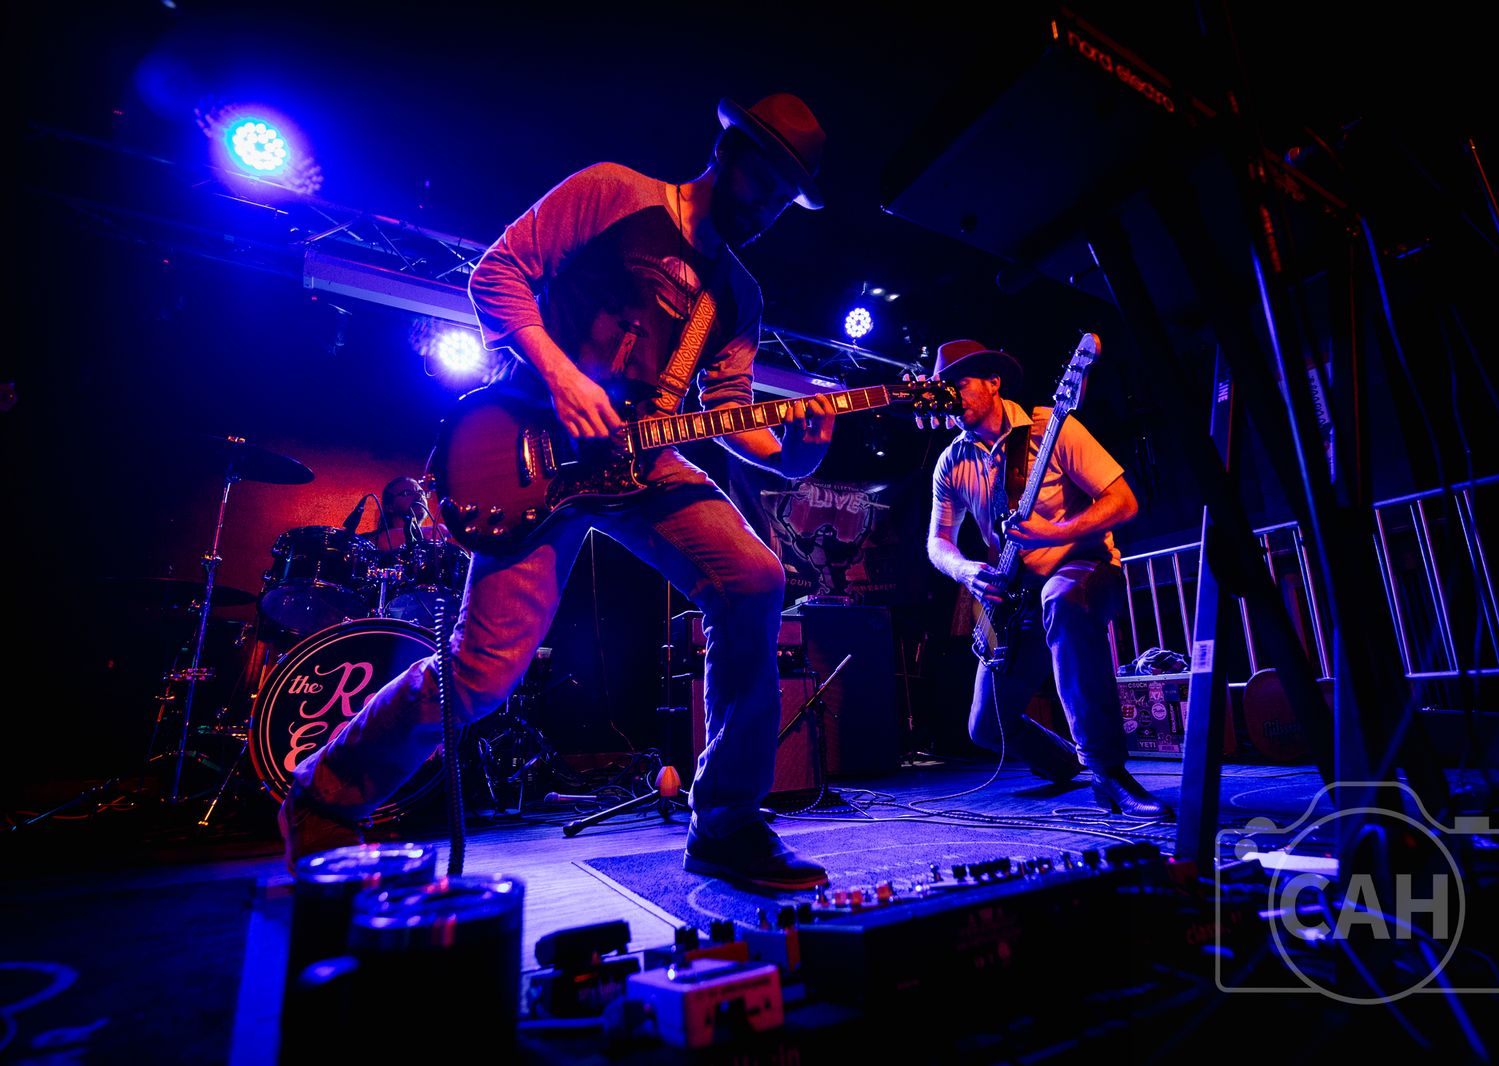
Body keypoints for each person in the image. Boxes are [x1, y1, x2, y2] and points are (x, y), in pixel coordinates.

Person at [280, 93, 837, 890]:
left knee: (755, 578)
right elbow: (497, 274)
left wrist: (797, 454)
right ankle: (327, 793)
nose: (768, 209)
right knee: (481, 670)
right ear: (728, 153)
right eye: (765, 186)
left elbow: (728, 413)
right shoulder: (617, 193)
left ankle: (726, 823)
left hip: (643, 460)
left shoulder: (738, 295)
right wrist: (564, 378)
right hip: (532, 444)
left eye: (785, 201)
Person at [925, 339, 1171, 818]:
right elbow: (937, 542)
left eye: (960, 383)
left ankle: (1107, 770)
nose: (952, 395)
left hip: (1083, 567)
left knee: (1061, 600)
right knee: (986, 727)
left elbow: (1124, 502)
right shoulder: (951, 462)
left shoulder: (1053, 427)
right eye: (944, 388)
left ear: (993, 382)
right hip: (1018, 596)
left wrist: (1054, 533)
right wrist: (966, 570)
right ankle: (1066, 763)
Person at [365, 475, 452, 554]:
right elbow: (381, 541)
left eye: (421, 492)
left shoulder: (432, 549)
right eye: (407, 493)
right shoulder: (370, 539)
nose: (419, 496)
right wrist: (426, 532)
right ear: (389, 507)